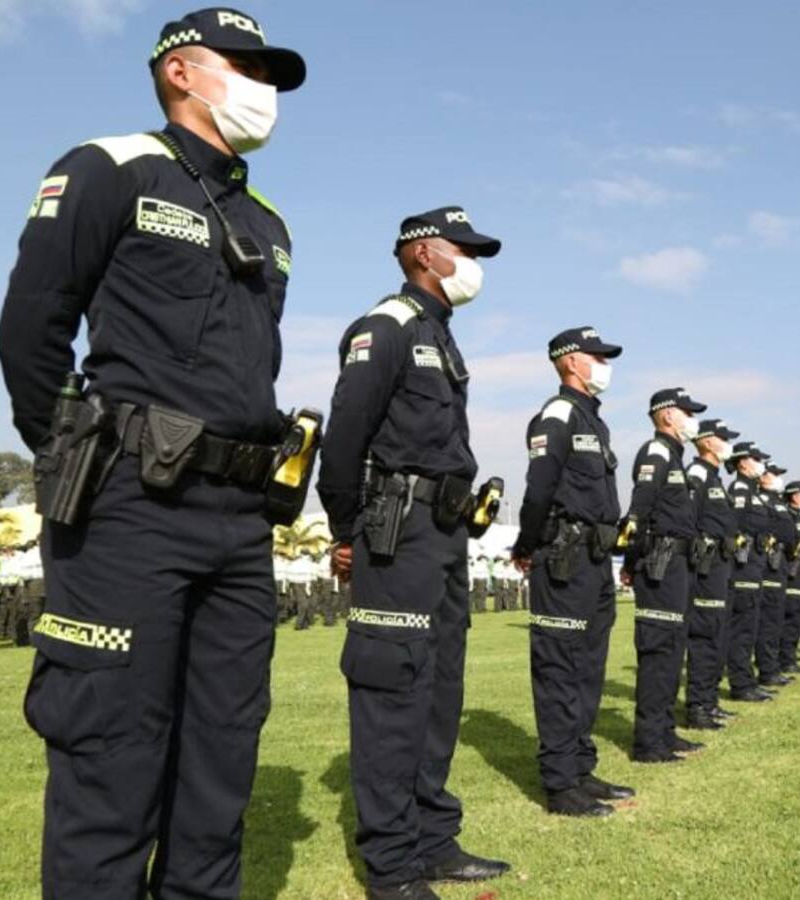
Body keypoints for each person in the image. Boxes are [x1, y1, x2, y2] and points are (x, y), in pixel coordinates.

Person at [0, 9, 309, 897]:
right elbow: (32, 331)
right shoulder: (109, 166)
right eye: (245, 65)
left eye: (270, 72)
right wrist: (75, 459)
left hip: (239, 525)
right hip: (130, 508)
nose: (264, 87)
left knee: (221, 758)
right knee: (112, 756)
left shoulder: (270, 222)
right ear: (181, 71)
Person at [317, 207, 508, 899]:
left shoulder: (440, 336)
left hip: (444, 535)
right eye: (466, 250)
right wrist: (349, 533)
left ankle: (433, 840)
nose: (475, 264)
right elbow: (343, 444)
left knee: (438, 690)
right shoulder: (387, 328)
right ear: (426, 252)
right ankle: (392, 866)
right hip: (395, 534)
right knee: (393, 693)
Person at [511, 327, 632, 816]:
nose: (605, 364)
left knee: (588, 669)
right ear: (571, 363)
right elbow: (538, 490)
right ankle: (561, 784)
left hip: (597, 561)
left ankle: (581, 767)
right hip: (563, 558)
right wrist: (526, 544)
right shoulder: (557, 415)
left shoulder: (594, 422)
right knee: (560, 669)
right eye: (597, 356)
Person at [623, 388, 708, 762]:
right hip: (659, 564)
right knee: (658, 651)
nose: (694, 419)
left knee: (673, 651)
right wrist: (629, 562)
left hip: (680, 567)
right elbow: (638, 512)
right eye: (688, 412)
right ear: (668, 415)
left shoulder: (675, 458)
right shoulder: (656, 453)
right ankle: (648, 741)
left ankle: (665, 731)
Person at [683, 419, 741, 730]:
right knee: (704, 637)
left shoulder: (715, 478)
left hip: (722, 566)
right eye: (723, 438)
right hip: (705, 568)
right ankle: (697, 708)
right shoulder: (697, 474)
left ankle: (710, 702)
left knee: (718, 636)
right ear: (706, 442)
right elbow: (689, 518)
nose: (727, 444)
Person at [725, 442, 775, 702]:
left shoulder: (753, 492)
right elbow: (737, 525)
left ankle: (748, 680)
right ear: (742, 462)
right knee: (741, 630)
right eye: (755, 458)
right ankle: (741, 684)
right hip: (743, 568)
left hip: (755, 567)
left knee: (749, 628)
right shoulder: (740, 489)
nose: (760, 464)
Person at [755, 461, 795, 689]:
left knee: (776, 620)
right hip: (769, 563)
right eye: (774, 474)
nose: (778, 478)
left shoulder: (777, 502)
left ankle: (773, 666)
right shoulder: (762, 500)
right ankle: (767, 670)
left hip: (781, 563)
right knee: (768, 622)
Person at [779, 482, 800, 674]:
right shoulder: (789, 515)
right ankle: (785, 659)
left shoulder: (798, 517)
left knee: (796, 618)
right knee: (790, 617)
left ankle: (789, 658)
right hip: (792, 572)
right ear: (794, 496)